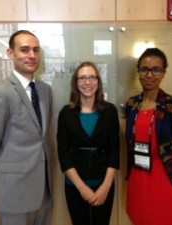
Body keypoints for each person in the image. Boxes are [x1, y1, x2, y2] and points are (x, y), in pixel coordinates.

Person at [0, 30, 53, 225]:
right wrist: (5, 178)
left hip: (44, 192)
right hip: (13, 193)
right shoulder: (0, 93)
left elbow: (42, 138)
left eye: (36, 50)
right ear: (10, 53)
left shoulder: (45, 91)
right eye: (24, 50)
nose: (31, 55)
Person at [124, 48, 172, 225]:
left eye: (156, 69)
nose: (149, 75)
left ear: (163, 73)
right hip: (138, 178)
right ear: (138, 72)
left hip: (165, 178)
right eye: (144, 69)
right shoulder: (132, 104)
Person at [57, 61, 120, 225]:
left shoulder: (110, 111)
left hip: (103, 184)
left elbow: (115, 151)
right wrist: (82, 188)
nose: (87, 82)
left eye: (92, 77)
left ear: (98, 82)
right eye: (82, 78)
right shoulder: (66, 113)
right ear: (76, 83)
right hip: (75, 186)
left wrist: (105, 187)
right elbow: (63, 154)